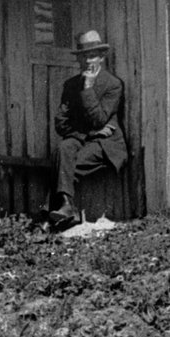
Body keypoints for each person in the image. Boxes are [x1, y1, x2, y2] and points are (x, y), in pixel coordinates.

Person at [51, 28, 127, 227]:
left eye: (92, 56)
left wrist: (88, 89)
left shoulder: (113, 85)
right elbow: (60, 123)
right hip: (84, 138)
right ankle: (66, 208)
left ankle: (54, 213)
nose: (88, 62)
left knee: (64, 167)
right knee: (62, 149)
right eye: (84, 57)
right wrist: (88, 134)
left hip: (105, 144)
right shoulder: (70, 85)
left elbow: (99, 120)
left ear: (101, 57)